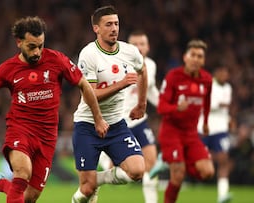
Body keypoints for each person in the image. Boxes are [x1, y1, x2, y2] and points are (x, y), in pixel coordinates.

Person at [0, 16, 109, 203]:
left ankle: (0, 184)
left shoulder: (56, 60)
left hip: (47, 136)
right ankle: (3, 183)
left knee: (29, 198)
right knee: (22, 173)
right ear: (19, 42)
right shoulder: (8, 69)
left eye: (40, 46)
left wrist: (98, 119)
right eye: (31, 47)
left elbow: (84, 85)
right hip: (20, 129)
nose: (37, 52)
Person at [71, 5, 148, 203]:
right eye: (108, 25)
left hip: (116, 125)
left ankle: (96, 180)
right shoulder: (89, 55)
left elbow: (143, 69)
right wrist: (121, 84)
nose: (114, 28)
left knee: (138, 170)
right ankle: (85, 189)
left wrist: (141, 104)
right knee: (86, 191)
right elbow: (91, 94)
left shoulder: (129, 51)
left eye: (116, 24)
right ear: (96, 28)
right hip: (87, 125)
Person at [97, 30, 160, 203]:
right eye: (135, 44)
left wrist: (165, 106)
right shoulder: (118, 65)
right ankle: (104, 164)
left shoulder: (151, 66)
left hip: (140, 121)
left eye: (142, 44)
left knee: (152, 163)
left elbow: (151, 90)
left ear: (148, 47)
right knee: (121, 171)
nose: (139, 48)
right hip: (119, 122)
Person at [157, 39, 215, 203]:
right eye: (193, 55)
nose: (196, 59)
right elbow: (161, 107)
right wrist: (176, 108)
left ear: (203, 60)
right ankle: (172, 162)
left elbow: (207, 101)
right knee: (177, 176)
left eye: (200, 56)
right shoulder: (173, 76)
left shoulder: (207, 80)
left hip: (191, 134)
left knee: (208, 171)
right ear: (185, 57)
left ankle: (169, 161)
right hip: (171, 132)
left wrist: (205, 122)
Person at [197, 66, 233, 203]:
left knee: (224, 160)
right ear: (216, 73)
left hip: (221, 130)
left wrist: (229, 119)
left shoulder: (228, 88)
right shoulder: (207, 85)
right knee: (199, 162)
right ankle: (167, 159)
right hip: (204, 128)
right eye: (222, 72)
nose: (224, 75)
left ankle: (222, 194)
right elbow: (203, 104)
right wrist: (218, 105)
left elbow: (225, 109)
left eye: (226, 73)